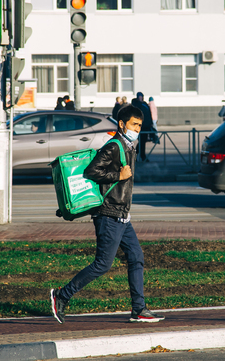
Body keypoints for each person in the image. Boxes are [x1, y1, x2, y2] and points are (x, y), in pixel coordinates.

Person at [50, 105, 165, 324]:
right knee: (102, 264)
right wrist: (118, 175)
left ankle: (139, 309)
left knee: (136, 257)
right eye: (134, 124)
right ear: (122, 124)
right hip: (109, 215)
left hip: (121, 214)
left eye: (140, 125)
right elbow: (91, 172)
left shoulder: (129, 146)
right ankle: (61, 295)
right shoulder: (114, 146)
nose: (137, 129)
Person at [131, 92, 153, 161]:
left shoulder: (145, 104)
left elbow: (149, 113)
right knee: (141, 141)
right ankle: (139, 156)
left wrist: (151, 122)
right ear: (138, 97)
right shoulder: (137, 104)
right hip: (140, 126)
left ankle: (138, 155)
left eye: (142, 96)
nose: (141, 97)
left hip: (147, 125)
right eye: (140, 96)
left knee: (143, 141)